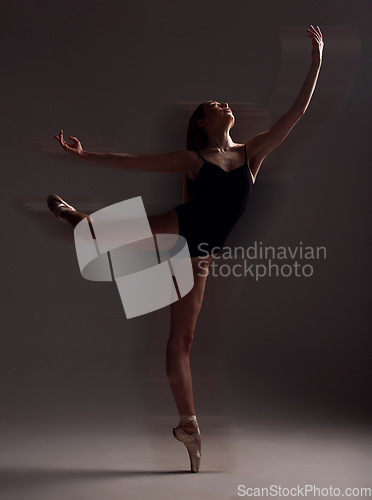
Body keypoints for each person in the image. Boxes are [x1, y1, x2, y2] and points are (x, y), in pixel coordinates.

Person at [48, 25, 324, 473]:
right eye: (215, 105)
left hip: (201, 255)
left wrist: (316, 61)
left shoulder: (253, 153)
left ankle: (187, 426)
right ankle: (78, 219)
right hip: (182, 228)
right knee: (120, 233)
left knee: (185, 339)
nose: (224, 104)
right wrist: (83, 156)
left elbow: (297, 111)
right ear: (202, 122)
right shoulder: (194, 160)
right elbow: (133, 161)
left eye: (223, 103)